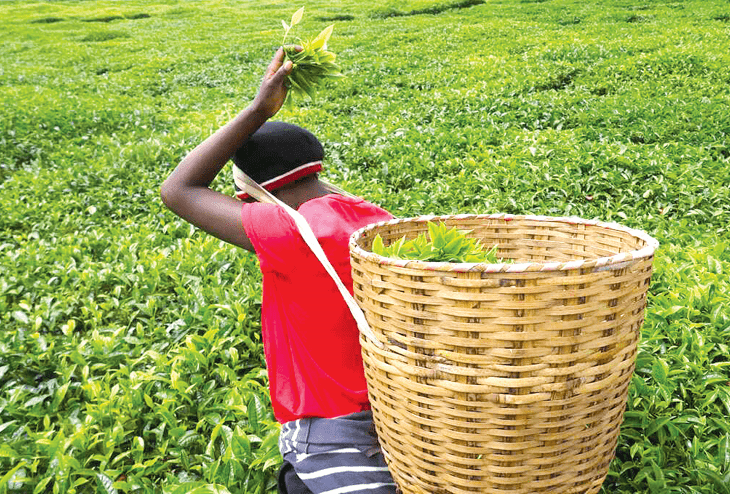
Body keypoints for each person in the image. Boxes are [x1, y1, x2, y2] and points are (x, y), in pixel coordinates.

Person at [160, 48, 397, 494]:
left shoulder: (289, 231)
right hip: (398, 417)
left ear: (251, 193)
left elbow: (179, 190)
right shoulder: (375, 217)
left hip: (329, 436)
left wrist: (258, 109)